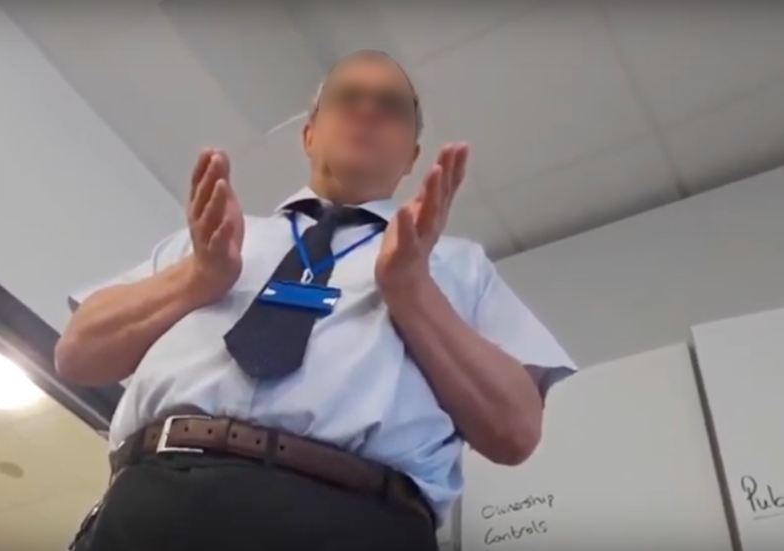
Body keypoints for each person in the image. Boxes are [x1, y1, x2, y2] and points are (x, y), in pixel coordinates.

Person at [57, 50, 575, 551]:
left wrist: (412, 292)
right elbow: (77, 355)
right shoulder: (211, 240)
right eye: (348, 97)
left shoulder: (457, 264)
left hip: (358, 522)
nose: (368, 110)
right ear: (309, 134)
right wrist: (198, 277)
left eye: (392, 106)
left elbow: (515, 431)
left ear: (411, 157)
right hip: (156, 507)